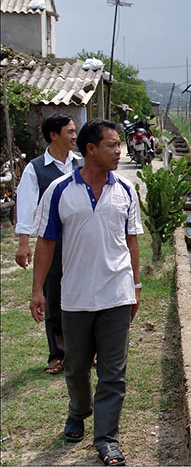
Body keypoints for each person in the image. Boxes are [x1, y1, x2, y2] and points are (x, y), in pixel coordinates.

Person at [30, 118, 143, 466]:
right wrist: (37, 291)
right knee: (76, 366)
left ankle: (107, 439)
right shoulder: (60, 190)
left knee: (113, 372)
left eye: (120, 144)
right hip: (75, 295)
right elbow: (46, 242)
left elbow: (131, 241)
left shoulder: (125, 190)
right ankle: (78, 411)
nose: (119, 151)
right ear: (90, 149)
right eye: (112, 145)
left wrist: (136, 287)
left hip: (117, 294)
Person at [15, 112, 81, 374]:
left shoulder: (81, 164)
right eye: (70, 132)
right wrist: (24, 243)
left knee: (85, 293)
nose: (74, 136)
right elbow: (26, 206)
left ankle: (87, 350)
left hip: (81, 240)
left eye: (75, 131)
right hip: (53, 241)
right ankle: (58, 354)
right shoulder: (36, 169)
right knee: (54, 296)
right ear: (54, 135)